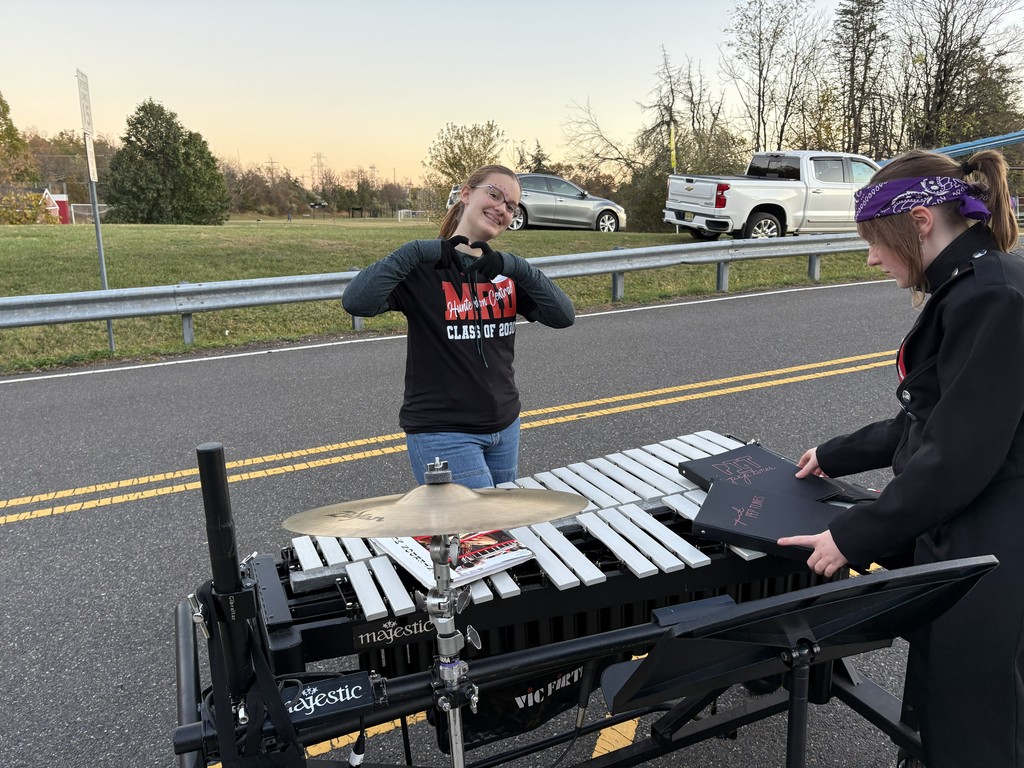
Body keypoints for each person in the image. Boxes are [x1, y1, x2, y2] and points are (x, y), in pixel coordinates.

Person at [778, 148, 1024, 767]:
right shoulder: (969, 286)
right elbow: (927, 417)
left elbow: (959, 456)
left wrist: (853, 535)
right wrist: (833, 455)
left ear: (918, 221)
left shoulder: (993, 297)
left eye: (875, 239)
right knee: (940, 704)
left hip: (997, 538)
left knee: (977, 721)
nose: (871, 256)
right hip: (969, 522)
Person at [342, 165, 574, 488]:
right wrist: (415, 251)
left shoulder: (504, 273)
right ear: (466, 194)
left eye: (511, 206)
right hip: (443, 434)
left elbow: (563, 316)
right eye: (494, 194)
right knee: (480, 536)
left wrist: (515, 265)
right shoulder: (423, 267)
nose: (501, 209)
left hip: (505, 429)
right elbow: (356, 301)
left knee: (499, 534)